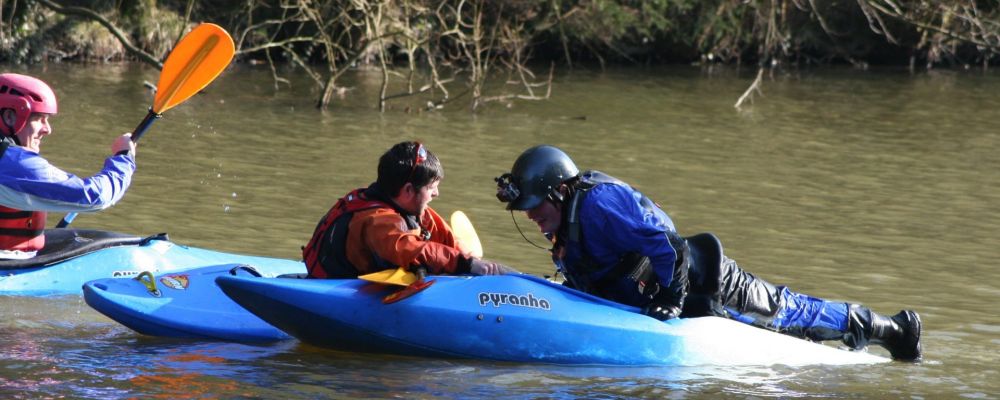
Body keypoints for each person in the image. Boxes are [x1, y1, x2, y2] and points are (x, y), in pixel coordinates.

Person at [494, 145, 922, 361]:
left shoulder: (600, 203)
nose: (529, 215)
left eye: (533, 205)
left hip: (706, 282)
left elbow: (670, 247)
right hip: (672, 296)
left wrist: (671, 298)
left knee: (787, 315)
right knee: (787, 324)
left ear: (560, 190)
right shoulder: (565, 226)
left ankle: (890, 329)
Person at [304, 141, 509, 279]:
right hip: (337, 286)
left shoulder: (408, 207)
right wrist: (464, 265)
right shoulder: (377, 221)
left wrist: (469, 260)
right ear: (409, 190)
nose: (436, 193)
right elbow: (409, 248)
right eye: (431, 188)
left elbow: (440, 237)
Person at [0, 73, 136, 259]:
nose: (48, 129)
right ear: (9, 116)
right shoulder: (14, 163)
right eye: (39, 118)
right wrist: (124, 158)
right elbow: (94, 197)